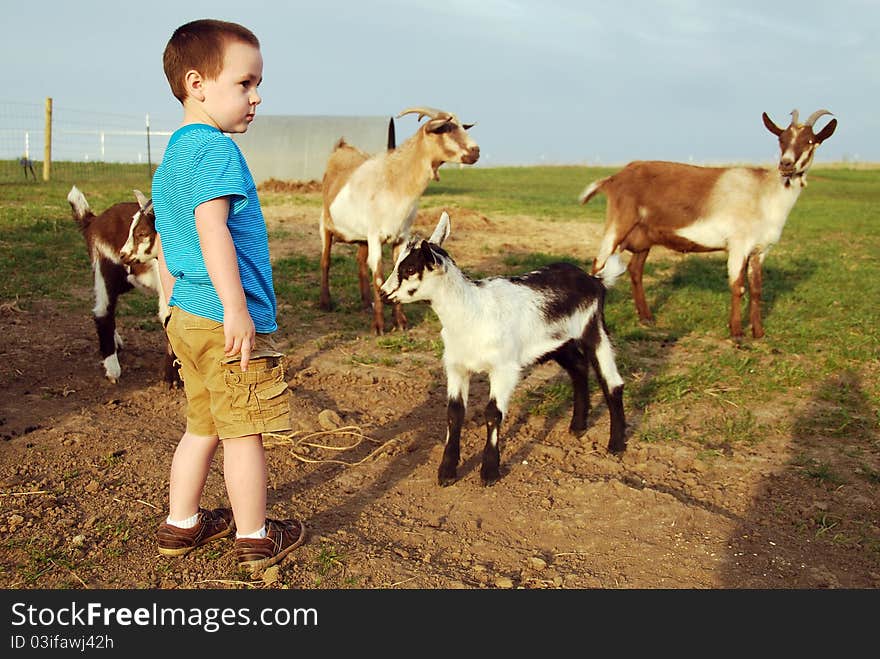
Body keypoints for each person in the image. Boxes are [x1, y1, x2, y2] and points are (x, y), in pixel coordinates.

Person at [152, 18, 305, 572]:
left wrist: (169, 305)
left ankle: (181, 523)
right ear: (198, 83)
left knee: (203, 424)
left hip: (187, 316)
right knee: (245, 432)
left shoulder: (172, 156)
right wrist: (238, 310)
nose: (257, 97)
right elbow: (211, 229)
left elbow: (168, 240)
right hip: (225, 319)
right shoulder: (214, 149)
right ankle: (255, 536)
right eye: (245, 83)